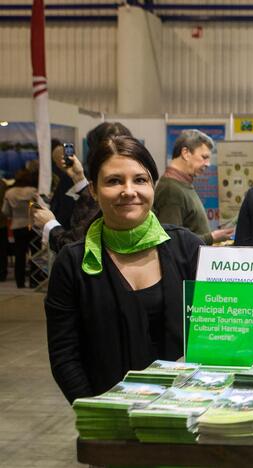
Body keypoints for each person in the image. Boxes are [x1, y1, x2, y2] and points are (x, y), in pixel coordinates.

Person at [45, 136, 202, 403]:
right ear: (93, 190)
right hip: (109, 417)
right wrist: (95, 412)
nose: (129, 190)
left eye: (140, 180)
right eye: (114, 181)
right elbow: (64, 355)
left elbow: (219, 329)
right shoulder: (73, 263)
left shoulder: (187, 248)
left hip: (187, 412)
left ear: (153, 185)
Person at [33, 122, 132, 254]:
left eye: (140, 180)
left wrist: (49, 224)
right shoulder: (93, 184)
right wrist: (79, 179)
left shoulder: (112, 195)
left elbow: (76, 246)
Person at [153, 129, 233, 245]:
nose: (208, 164)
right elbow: (172, 243)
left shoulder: (182, 185)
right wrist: (211, 237)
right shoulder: (171, 190)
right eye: (204, 157)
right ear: (186, 153)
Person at [2, 169, 38, 288]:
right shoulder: (33, 191)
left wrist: (13, 215)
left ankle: (20, 282)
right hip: (32, 225)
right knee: (35, 254)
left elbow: (5, 211)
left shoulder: (9, 193)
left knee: (19, 255)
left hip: (17, 225)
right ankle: (34, 281)